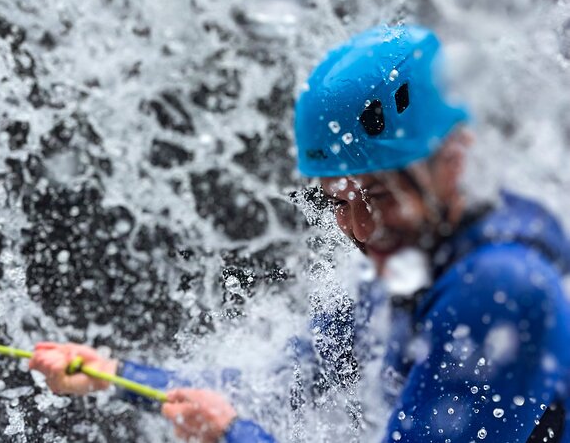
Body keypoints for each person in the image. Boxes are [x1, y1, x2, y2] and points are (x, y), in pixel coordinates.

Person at [29, 25, 570, 442]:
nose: (358, 230)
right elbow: (283, 385)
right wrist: (116, 374)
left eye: (377, 197)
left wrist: (233, 433)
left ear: (452, 161)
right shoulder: (413, 259)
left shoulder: (502, 288)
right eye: (338, 202)